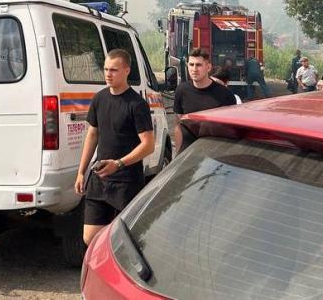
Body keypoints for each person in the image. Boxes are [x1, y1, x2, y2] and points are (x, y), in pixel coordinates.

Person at [75, 49, 154, 246]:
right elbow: (92, 135)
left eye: (114, 70)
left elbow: (148, 145)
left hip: (126, 182)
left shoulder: (137, 104)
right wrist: (81, 171)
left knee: (126, 239)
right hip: (99, 178)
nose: (108, 74)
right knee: (89, 237)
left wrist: (118, 164)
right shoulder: (99, 98)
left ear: (127, 70)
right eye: (106, 69)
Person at [172, 48, 236, 151]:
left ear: (208, 67)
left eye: (198, 65)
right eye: (191, 64)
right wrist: (178, 154)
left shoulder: (225, 94)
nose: (194, 69)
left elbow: (232, 131)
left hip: (214, 156)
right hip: (187, 155)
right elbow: (178, 126)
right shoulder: (181, 90)